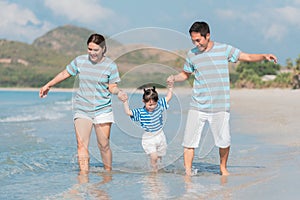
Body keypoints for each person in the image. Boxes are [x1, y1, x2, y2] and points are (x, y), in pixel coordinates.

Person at [167, 21, 277, 176]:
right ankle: (187, 173)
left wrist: (263, 56)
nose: (196, 43)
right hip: (198, 105)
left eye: (198, 40)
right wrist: (174, 78)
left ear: (208, 35)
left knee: (224, 141)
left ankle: (223, 168)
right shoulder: (192, 54)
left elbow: (246, 56)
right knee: (189, 142)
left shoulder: (224, 49)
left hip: (220, 105)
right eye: (193, 40)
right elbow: (185, 74)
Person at [39, 33, 127, 173]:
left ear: (103, 49)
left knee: (103, 145)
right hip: (82, 109)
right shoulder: (79, 61)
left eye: (95, 50)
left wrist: (119, 92)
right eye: (89, 49)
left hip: (102, 109)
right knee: (81, 145)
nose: (92, 53)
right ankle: (83, 177)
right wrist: (48, 85)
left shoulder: (110, 65)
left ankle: (108, 174)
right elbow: (64, 73)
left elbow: (112, 87)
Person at [123, 84, 173, 172]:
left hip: (160, 135)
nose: (152, 107)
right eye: (149, 105)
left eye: (154, 104)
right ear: (144, 101)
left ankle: (159, 170)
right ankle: (154, 172)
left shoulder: (160, 105)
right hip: (149, 137)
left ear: (157, 101)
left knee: (159, 157)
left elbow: (169, 96)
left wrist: (170, 87)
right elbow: (128, 112)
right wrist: (125, 101)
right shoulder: (141, 112)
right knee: (154, 156)